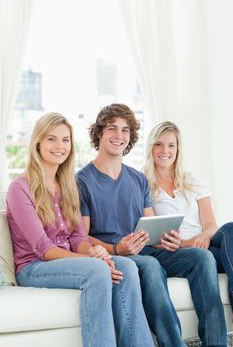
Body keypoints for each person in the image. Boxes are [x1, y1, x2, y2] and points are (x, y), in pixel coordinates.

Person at [76, 103, 227, 347]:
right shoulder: (82, 181)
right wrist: (116, 250)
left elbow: (150, 226)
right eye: (112, 128)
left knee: (202, 257)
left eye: (125, 130)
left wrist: (169, 239)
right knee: (150, 265)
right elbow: (80, 237)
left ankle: (216, 344)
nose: (119, 135)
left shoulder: (137, 179)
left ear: (131, 137)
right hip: (118, 253)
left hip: (147, 248)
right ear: (99, 133)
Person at [6, 113, 156, 347]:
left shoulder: (68, 184)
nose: (60, 146)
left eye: (66, 140)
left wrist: (97, 253)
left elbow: (76, 236)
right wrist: (93, 261)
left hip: (68, 260)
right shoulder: (20, 188)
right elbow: (43, 249)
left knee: (126, 264)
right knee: (97, 271)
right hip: (34, 266)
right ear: (38, 143)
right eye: (51, 139)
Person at [143, 120, 233, 310]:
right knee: (208, 256)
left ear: (178, 149)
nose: (164, 150)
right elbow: (152, 235)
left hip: (206, 244)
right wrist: (187, 243)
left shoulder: (193, 179)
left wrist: (202, 236)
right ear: (151, 147)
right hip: (178, 250)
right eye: (158, 144)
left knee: (230, 229)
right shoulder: (142, 184)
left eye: (171, 145)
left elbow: (210, 224)